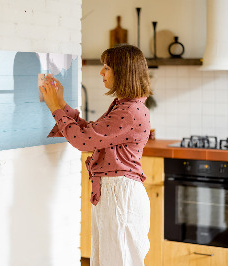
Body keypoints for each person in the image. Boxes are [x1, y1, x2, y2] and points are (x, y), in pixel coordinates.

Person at [40, 44, 152, 266]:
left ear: (123, 72)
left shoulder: (129, 111)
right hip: (115, 193)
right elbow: (91, 133)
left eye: (107, 67)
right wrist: (61, 103)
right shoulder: (125, 106)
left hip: (120, 195)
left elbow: (83, 141)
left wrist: (55, 108)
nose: (101, 72)